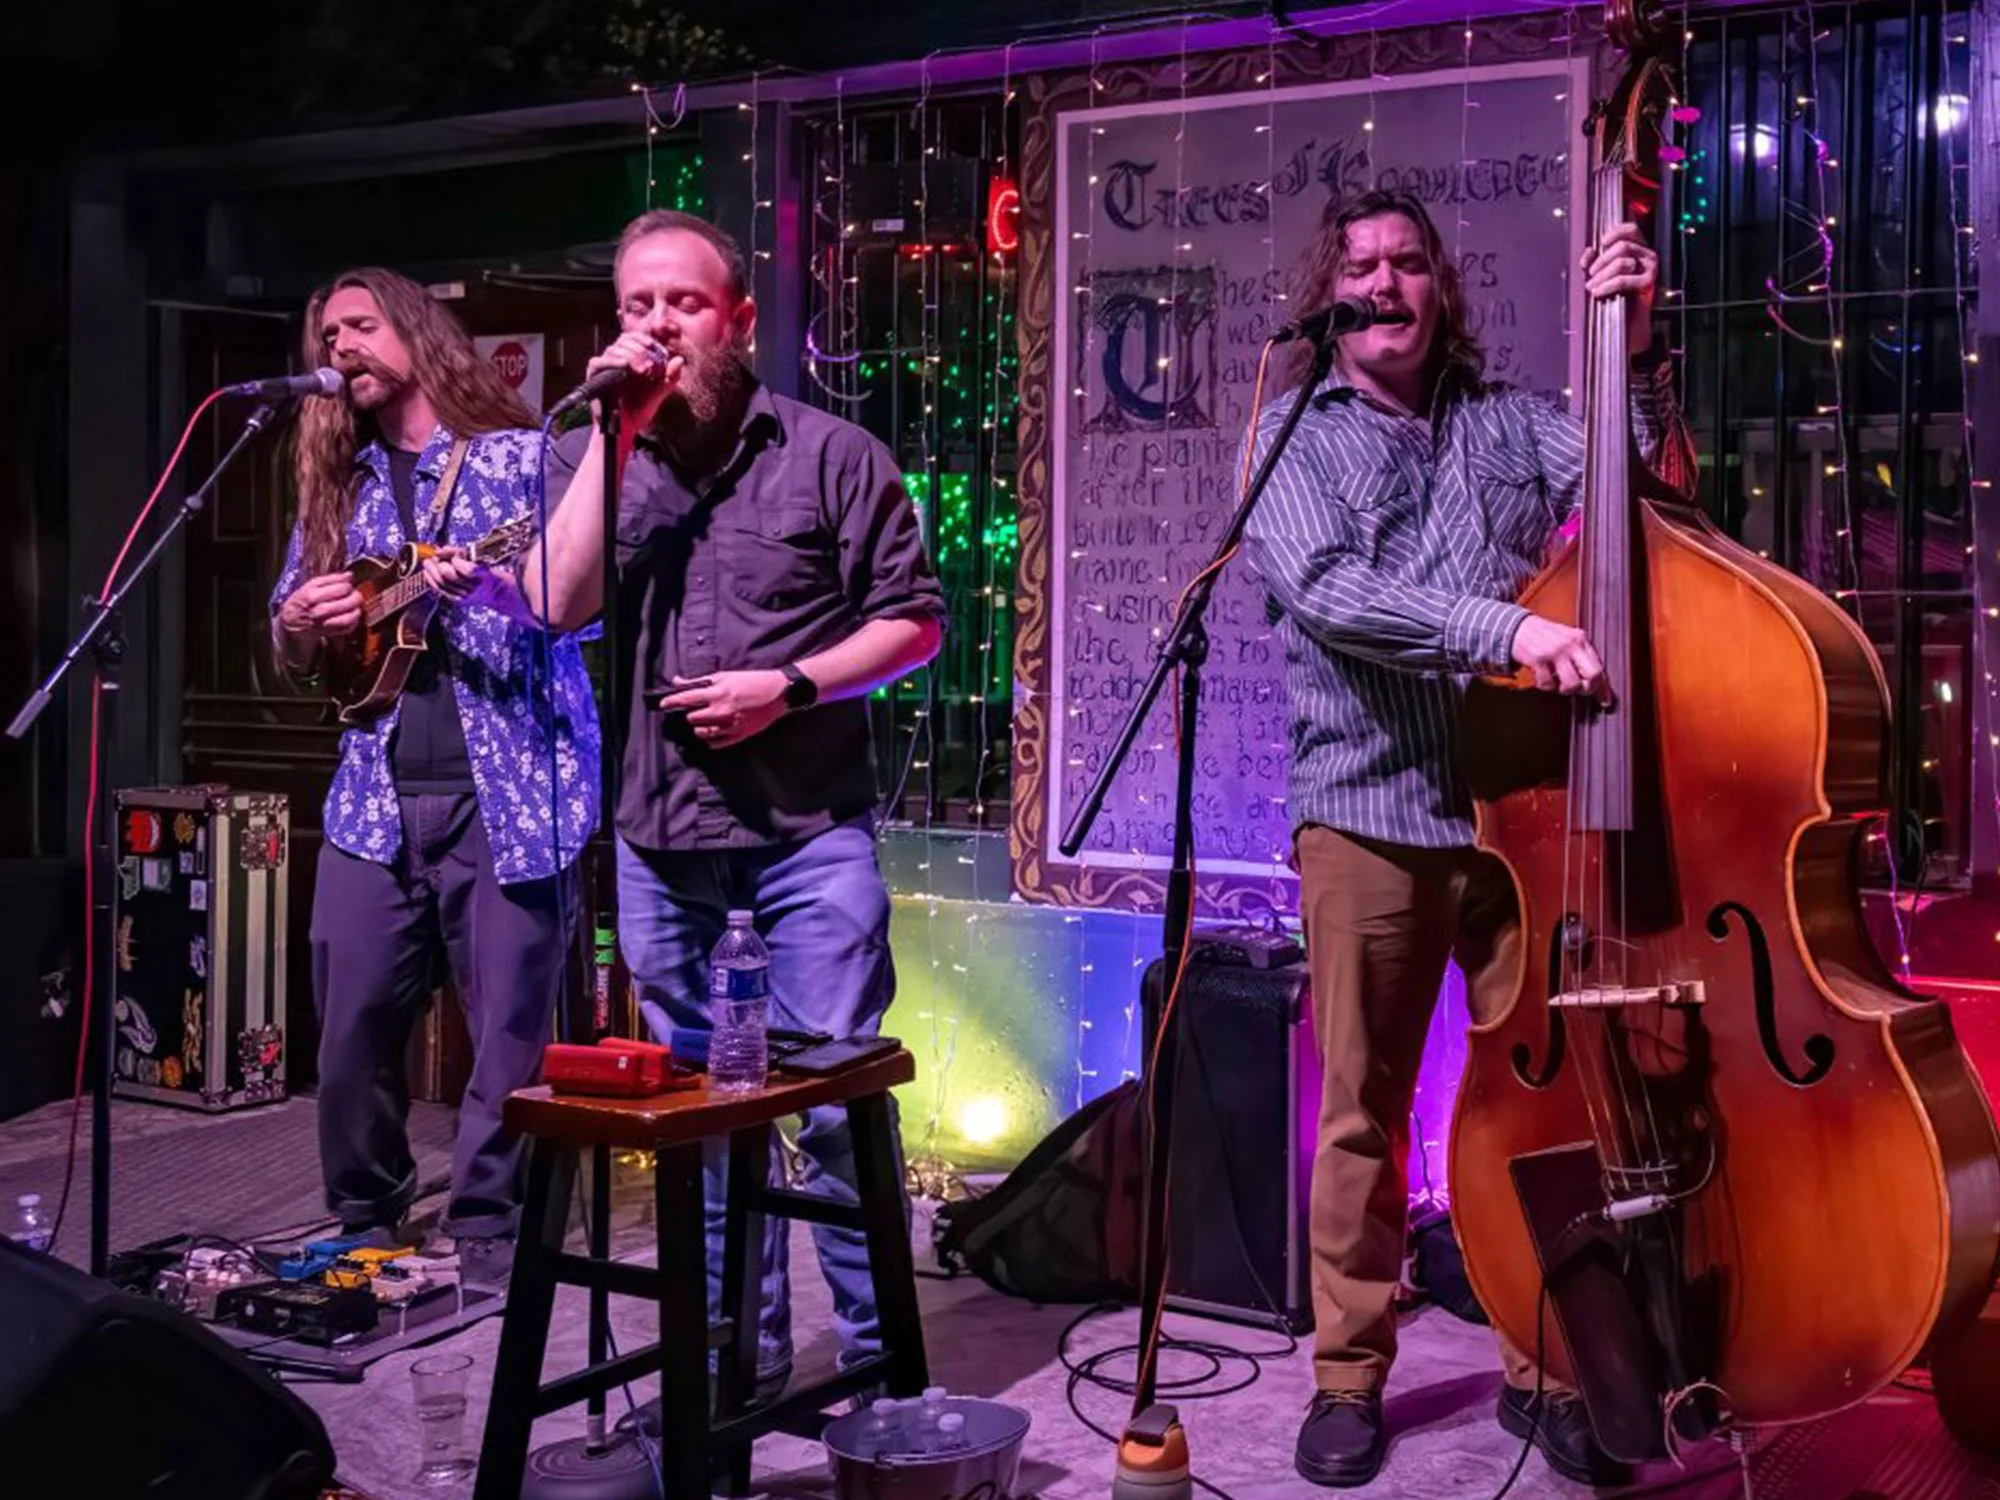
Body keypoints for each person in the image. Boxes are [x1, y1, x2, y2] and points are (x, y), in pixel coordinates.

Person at [1243, 191, 1696, 1488]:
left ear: (1441, 288)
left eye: (1407, 263)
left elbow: (1646, 498)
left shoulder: (1508, 426)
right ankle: (1346, 1376)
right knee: (1362, 1118)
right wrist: (1508, 631)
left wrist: (1639, 342)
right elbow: (1333, 594)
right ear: (1331, 297)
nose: (1385, 283)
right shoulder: (1290, 437)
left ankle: (1547, 1361)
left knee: (1542, 1107)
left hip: (1524, 825)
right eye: (1360, 266)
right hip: (1368, 814)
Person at [514, 209, 944, 1400]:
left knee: (826, 1108)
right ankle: (728, 1365)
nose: (658, 324)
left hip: (806, 842)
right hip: (659, 849)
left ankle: (875, 1378)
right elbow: (551, 604)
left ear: (738, 321)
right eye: (637, 306)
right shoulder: (594, 461)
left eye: (684, 305)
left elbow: (916, 621)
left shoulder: (830, 454)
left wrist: (787, 686)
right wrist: (618, 436)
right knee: (702, 1122)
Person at [270, 267, 599, 1285]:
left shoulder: (518, 459)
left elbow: (577, 600)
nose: (343, 347)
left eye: (361, 326)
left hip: (511, 788)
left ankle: (492, 1230)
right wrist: (296, 622)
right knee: (352, 1024)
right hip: (373, 798)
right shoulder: (341, 486)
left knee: (507, 1032)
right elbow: (297, 653)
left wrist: (494, 584)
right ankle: (365, 1211)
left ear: (416, 333)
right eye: (329, 335)